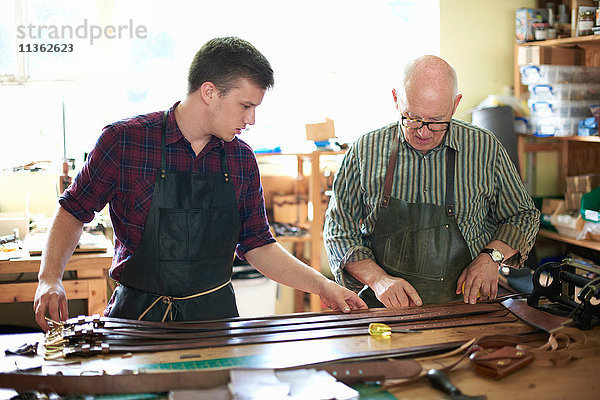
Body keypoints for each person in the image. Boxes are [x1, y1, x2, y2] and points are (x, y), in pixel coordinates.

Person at [34, 37, 366, 331]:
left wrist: (323, 286)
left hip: (214, 322)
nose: (251, 120)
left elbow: (258, 245)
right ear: (209, 92)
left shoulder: (241, 159)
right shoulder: (125, 141)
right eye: (245, 106)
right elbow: (73, 211)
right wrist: (49, 278)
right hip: (137, 322)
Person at [324, 55, 540, 308]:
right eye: (412, 118)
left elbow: (523, 215)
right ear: (396, 99)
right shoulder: (365, 150)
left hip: (466, 307)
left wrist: (490, 257)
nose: (424, 132)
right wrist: (378, 280)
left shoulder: (484, 148)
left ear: (455, 105)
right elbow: (339, 231)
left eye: (437, 121)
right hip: (384, 310)